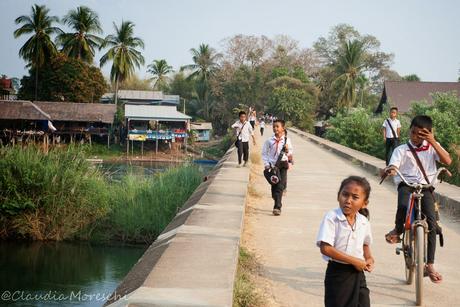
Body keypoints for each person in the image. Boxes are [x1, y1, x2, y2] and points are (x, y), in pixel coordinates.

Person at [384, 115, 452, 283]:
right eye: (413, 132)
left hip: (426, 187)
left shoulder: (432, 147)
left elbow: (447, 160)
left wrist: (433, 141)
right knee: (402, 205)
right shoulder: (401, 149)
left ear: (429, 133)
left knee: (432, 224)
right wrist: (392, 169)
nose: (415, 137)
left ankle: (429, 264)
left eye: (420, 134)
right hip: (406, 185)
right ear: (410, 130)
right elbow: (394, 164)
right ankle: (398, 229)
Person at [317, 176, 374, 307]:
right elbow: (325, 248)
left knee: (363, 303)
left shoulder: (363, 221)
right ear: (338, 196)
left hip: (358, 273)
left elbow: (365, 243)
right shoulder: (332, 218)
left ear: (364, 203)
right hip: (338, 273)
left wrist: (369, 258)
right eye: (345, 195)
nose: (348, 200)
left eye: (355, 197)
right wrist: (355, 261)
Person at [262, 119, 293, 216]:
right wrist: (266, 164)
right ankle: (276, 198)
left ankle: (277, 207)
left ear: (283, 128)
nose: (275, 128)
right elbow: (264, 153)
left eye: (277, 126)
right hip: (272, 166)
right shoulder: (269, 141)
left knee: (280, 186)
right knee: (274, 187)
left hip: (283, 165)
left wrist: (288, 151)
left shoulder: (287, 140)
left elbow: (291, 152)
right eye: (274, 126)